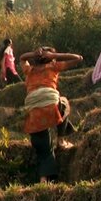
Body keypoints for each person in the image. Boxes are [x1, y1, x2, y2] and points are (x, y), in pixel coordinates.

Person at [19, 47, 82, 183]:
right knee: (64, 103)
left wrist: (33, 53)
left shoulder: (29, 70)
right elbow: (78, 58)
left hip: (33, 109)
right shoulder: (53, 66)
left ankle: (43, 180)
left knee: (44, 149)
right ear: (50, 57)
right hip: (51, 104)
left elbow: (22, 58)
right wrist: (54, 55)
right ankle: (60, 140)